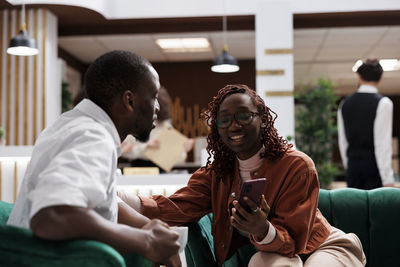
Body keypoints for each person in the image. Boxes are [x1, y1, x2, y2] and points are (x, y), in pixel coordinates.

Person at [119, 84, 366, 266]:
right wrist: (115, 198)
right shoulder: (218, 173)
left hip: (322, 247)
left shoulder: (296, 165)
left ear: (263, 120)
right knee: (262, 262)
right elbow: (177, 205)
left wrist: (262, 228)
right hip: (276, 254)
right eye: (224, 120)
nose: (234, 126)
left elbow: (294, 241)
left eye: (244, 116)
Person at [7, 50, 181, 267]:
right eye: (153, 96)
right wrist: (146, 241)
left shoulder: (69, 125)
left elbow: (98, 201)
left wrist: (148, 226)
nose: (157, 107)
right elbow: (53, 214)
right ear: (129, 100)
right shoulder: (95, 138)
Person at [338, 59, 395, 189]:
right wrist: (387, 178)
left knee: (354, 208)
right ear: (380, 78)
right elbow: (382, 143)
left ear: (359, 77)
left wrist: (350, 166)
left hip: (353, 166)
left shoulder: (344, 104)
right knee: (376, 209)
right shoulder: (384, 103)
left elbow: (343, 141)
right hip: (373, 168)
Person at [121, 86, 194, 172]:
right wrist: (146, 146)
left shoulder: (165, 126)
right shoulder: (134, 124)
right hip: (136, 172)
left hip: (160, 174)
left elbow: (179, 159)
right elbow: (123, 151)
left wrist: (182, 149)